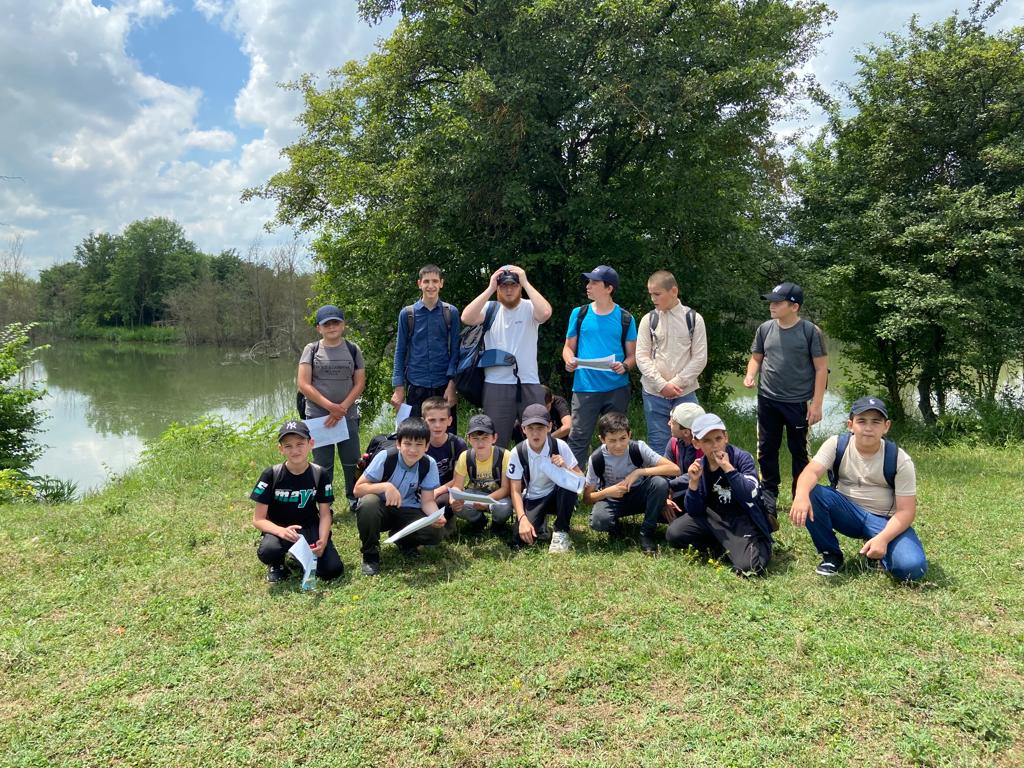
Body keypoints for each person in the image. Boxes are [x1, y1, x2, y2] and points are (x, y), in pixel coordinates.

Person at [789, 396, 928, 581]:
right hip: (847, 513)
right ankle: (831, 555)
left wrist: (883, 538)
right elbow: (811, 472)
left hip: (883, 520)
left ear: (886, 426)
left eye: (876, 422)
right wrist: (800, 495)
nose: (868, 428)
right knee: (811, 492)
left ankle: (876, 552)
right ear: (850, 425)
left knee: (912, 568)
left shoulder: (900, 459)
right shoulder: (836, 444)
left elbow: (906, 511)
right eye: (862, 421)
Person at [743, 281, 828, 520]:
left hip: (798, 402)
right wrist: (750, 374)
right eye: (771, 302)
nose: (772, 306)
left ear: (794, 307)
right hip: (767, 399)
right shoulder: (765, 329)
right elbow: (756, 358)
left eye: (778, 302)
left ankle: (800, 496)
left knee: (799, 450)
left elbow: (821, 369)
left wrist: (817, 404)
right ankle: (768, 497)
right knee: (766, 448)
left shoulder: (810, 331)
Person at [665, 413, 774, 576]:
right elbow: (694, 511)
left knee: (749, 567)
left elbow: (749, 494)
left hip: (741, 518)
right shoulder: (700, 466)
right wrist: (693, 483)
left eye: (718, 439)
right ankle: (723, 546)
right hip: (712, 516)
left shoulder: (741, 458)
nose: (715, 445)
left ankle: (761, 544)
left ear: (726, 437)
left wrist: (728, 468)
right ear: (696, 444)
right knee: (674, 533)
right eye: (707, 441)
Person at [461, 265, 553, 446]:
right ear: (498, 287)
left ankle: (535, 466)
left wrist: (525, 281)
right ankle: (499, 467)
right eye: (503, 286)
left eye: (514, 285)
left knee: (539, 439)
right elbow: (466, 317)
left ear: (520, 287)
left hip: (528, 381)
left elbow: (545, 313)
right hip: (496, 384)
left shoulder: (529, 307)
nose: (509, 290)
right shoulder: (490, 308)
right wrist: (490, 288)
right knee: (496, 441)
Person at [562, 265, 638, 466]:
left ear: (609, 288)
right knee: (578, 437)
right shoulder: (579, 313)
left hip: (616, 388)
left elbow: (633, 356)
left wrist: (625, 366)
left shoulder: (625, 318)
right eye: (588, 282)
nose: (588, 286)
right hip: (584, 387)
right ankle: (575, 481)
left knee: (616, 437)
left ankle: (614, 477)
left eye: (594, 282)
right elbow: (568, 348)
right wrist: (569, 360)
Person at [250, 420, 344, 583]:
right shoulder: (271, 474)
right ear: (281, 449)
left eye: (300, 444)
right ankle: (277, 563)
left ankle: (303, 555)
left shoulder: (320, 474)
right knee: (269, 550)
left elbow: (325, 514)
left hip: (309, 527)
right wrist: (280, 531)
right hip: (280, 529)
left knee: (332, 570)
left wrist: (322, 540)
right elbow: (258, 519)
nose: (295, 450)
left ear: (310, 444)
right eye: (288, 446)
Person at [353, 417, 446, 576]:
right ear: (398, 444)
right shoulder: (386, 457)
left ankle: (403, 540)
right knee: (368, 502)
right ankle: (370, 555)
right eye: (407, 444)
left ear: (427, 446)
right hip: (381, 510)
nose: (413, 450)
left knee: (435, 533)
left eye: (419, 444)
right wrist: (386, 486)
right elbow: (358, 489)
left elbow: (427, 501)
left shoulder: (428, 464)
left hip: (408, 509)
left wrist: (436, 516)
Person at [297, 304, 365, 507]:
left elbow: (359, 383)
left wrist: (341, 408)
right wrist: (331, 408)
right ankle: (325, 503)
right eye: (327, 324)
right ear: (319, 328)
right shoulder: (311, 350)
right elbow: (303, 384)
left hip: (347, 415)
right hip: (318, 416)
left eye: (336, 322)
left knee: (352, 460)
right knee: (322, 464)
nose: (332, 327)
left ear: (343, 325)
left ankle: (354, 498)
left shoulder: (353, 349)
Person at [583, 412, 679, 554]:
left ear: (629, 435)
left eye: (623, 438)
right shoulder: (596, 458)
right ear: (602, 439)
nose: (618, 445)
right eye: (612, 440)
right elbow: (587, 498)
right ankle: (617, 529)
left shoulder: (638, 447)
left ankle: (647, 532)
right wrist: (608, 492)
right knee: (598, 521)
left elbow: (674, 469)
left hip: (640, 494)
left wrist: (639, 472)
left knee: (660, 483)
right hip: (614, 499)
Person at [635, 270, 708, 455]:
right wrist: (661, 385)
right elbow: (641, 357)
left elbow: (700, 358)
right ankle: (664, 475)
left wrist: (675, 384)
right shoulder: (648, 320)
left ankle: (691, 475)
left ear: (673, 291)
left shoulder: (694, 319)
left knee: (693, 440)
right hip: (654, 393)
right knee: (658, 443)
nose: (653, 299)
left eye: (657, 294)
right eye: (650, 294)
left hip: (685, 392)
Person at [390, 264, 461, 432]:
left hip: (443, 384)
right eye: (426, 281)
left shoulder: (450, 312)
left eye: (435, 281)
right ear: (419, 284)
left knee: (446, 435)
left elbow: (456, 351)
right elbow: (400, 351)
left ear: (441, 283)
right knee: (416, 436)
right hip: (416, 384)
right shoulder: (407, 314)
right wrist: (398, 387)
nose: (431, 286)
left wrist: (453, 385)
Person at [507, 403, 583, 553]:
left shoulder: (560, 446)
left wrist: (565, 467)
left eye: (540, 428)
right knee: (522, 539)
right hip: (534, 497)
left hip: (557, 496)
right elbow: (515, 491)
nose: (535, 434)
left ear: (549, 427)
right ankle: (540, 522)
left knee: (568, 484)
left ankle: (561, 530)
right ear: (523, 429)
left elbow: (580, 479)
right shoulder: (517, 452)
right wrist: (522, 519)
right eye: (530, 428)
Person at [449, 413, 513, 534]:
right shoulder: (465, 456)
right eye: (475, 438)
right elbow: (457, 485)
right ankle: (479, 521)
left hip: (498, 496)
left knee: (504, 508)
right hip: (475, 494)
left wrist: (486, 501)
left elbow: (506, 489)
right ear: (468, 439)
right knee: (458, 507)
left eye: (485, 438)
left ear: (494, 438)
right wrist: (454, 499)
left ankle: (497, 524)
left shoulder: (505, 455)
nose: (480, 443)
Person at [419, 396, 468, 523]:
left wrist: (436, 491)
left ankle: (447, 523)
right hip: (422, 490)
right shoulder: (418, 444)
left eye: (442, 420)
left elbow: (457, 479)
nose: (437, 425)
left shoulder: (458, 444)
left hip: (446, 490)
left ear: (449, 420)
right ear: (423, 422)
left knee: (442, 501)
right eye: (432, 420)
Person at [664, 402, 705, 512]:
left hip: (701, 492)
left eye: (672, 422)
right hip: (679, 489)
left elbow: (695, 475)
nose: (668, 423)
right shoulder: (674, 442)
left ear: (686, 432)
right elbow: (666, 469)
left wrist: (669, 486)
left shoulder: (705, 447)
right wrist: (664, 491)